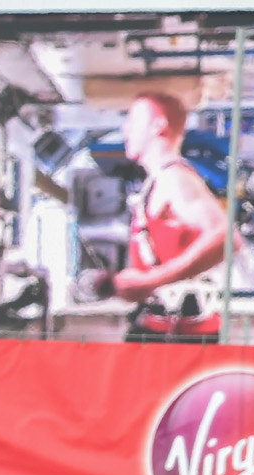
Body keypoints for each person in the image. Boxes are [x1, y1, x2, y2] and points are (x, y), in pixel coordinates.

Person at [108, 91, 228, 339]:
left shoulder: (174, 180)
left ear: (158, 126)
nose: (125, 129)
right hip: (160, 330)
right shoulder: (158, 181)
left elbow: (224, 237)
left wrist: (150, 282)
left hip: (185, 338)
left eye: (133, 121)